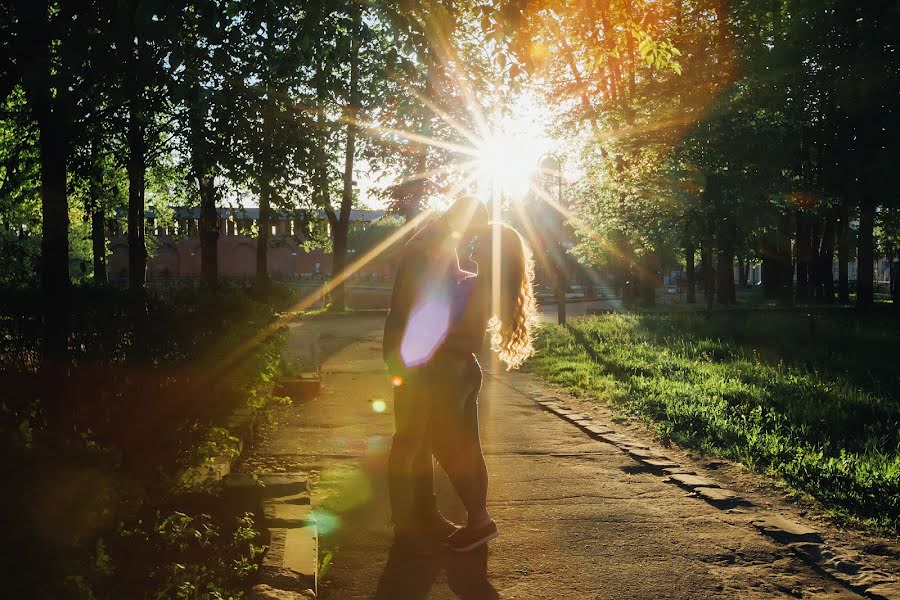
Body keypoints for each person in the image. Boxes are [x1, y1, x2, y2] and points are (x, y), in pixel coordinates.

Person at [383, 196, 489, 547]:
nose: (472, 239)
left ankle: (423, 515)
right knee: (410, 441)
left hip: (416, 353)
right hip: (415, 356)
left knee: (419, 440)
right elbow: (418, 305)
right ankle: (406, 523)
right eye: (473, 232)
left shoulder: (438, 241)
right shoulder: (432, 247)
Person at [432, 222, 537, 552]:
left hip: (453, 370)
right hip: (461, 370)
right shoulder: (480, 283)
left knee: (446, 445)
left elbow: (470, 336)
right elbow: (454, 277)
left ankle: (478, 518)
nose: (474, 246)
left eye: (482, 243)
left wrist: (432, 340)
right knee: (467, 447)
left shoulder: (482, 288)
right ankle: (479, 520)